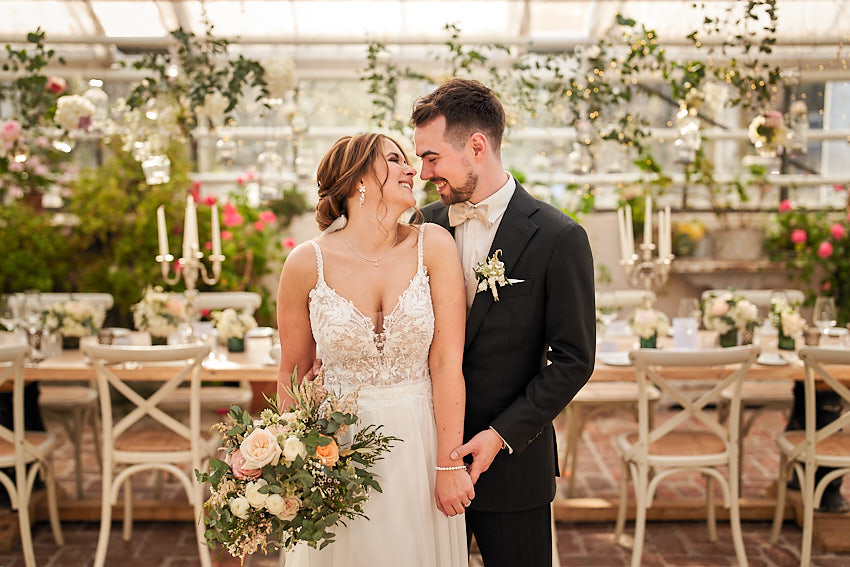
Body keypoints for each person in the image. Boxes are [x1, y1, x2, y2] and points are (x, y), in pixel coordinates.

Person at [413, 78, 596, 567]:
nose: (423, 172)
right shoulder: (419, 228)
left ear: (477, 146)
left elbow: (574, 360)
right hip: (426, 458)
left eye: (432, 158)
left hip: (515, 465)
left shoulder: (559, 237)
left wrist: (500, 435)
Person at [276, 133, 472, 566]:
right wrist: (290, 470)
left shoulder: (434, 245)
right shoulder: (306, 263)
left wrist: (448, 464)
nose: (413, 170)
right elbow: (292, 374)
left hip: (420, 442)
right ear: (357, 180)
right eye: (395, 160)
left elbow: (445, 364)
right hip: (337, 450)